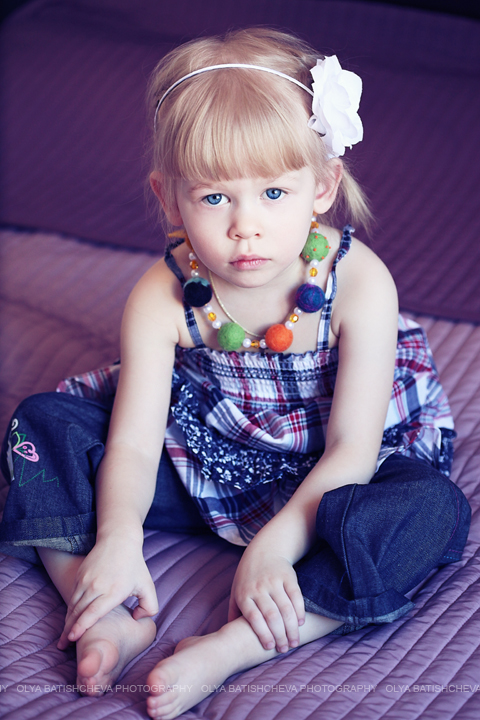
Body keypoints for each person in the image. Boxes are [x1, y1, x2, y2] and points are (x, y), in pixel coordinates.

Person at [0, 27, 471, 720]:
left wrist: (274, 549)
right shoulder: (161, 296)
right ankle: (102, 605)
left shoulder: (360, 284)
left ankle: (236, 646)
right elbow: (134, 444)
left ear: (322, 187)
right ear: (169, 199)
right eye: (215, 198)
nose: (245, 227)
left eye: (274, 192)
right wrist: (119, 536)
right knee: (39, 426)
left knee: (430, 511)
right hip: (208, 457)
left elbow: (352, 449)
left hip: (336, 473)